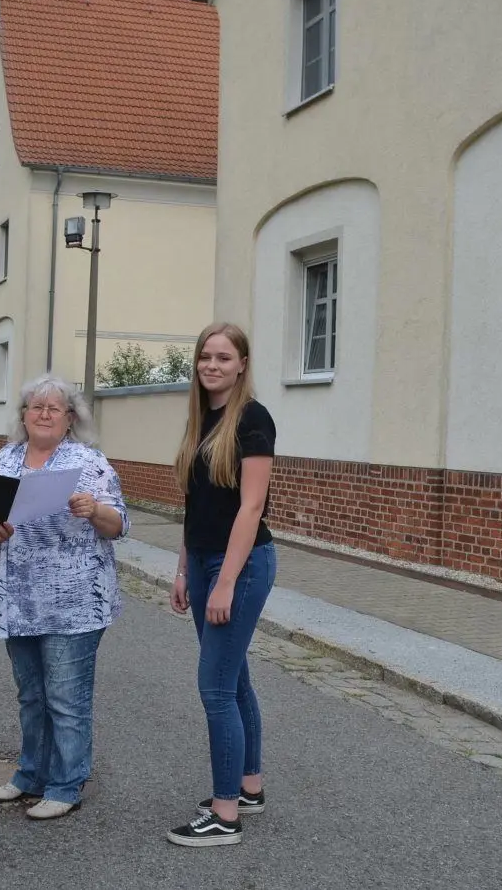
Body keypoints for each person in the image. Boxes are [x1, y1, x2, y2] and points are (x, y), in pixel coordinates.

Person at [0, 375, 128, 820]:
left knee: (66, 697)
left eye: (54, 408)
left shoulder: (88, 462)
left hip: (75, 601)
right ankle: (30, 774)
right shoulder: (5, 458)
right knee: (31, 694)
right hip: (17, 596)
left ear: (70, 418)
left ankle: (66, 784)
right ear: (23, 415)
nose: (44, 414)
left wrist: (95, 510)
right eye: (35, 407)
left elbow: (119, 524)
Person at [165, 323, 279, 848]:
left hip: (243, 564)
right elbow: (196, 509)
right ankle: (248, 787)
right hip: (207, 560)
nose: (212, 365)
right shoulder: (199, 420)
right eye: (205, 356)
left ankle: (225, 815)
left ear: (242, 364)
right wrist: (185, 569)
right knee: (233, 682)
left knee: (214, 687)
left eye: (223, 357)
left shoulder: (253, 420)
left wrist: (225, 582)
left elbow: (251, 507)